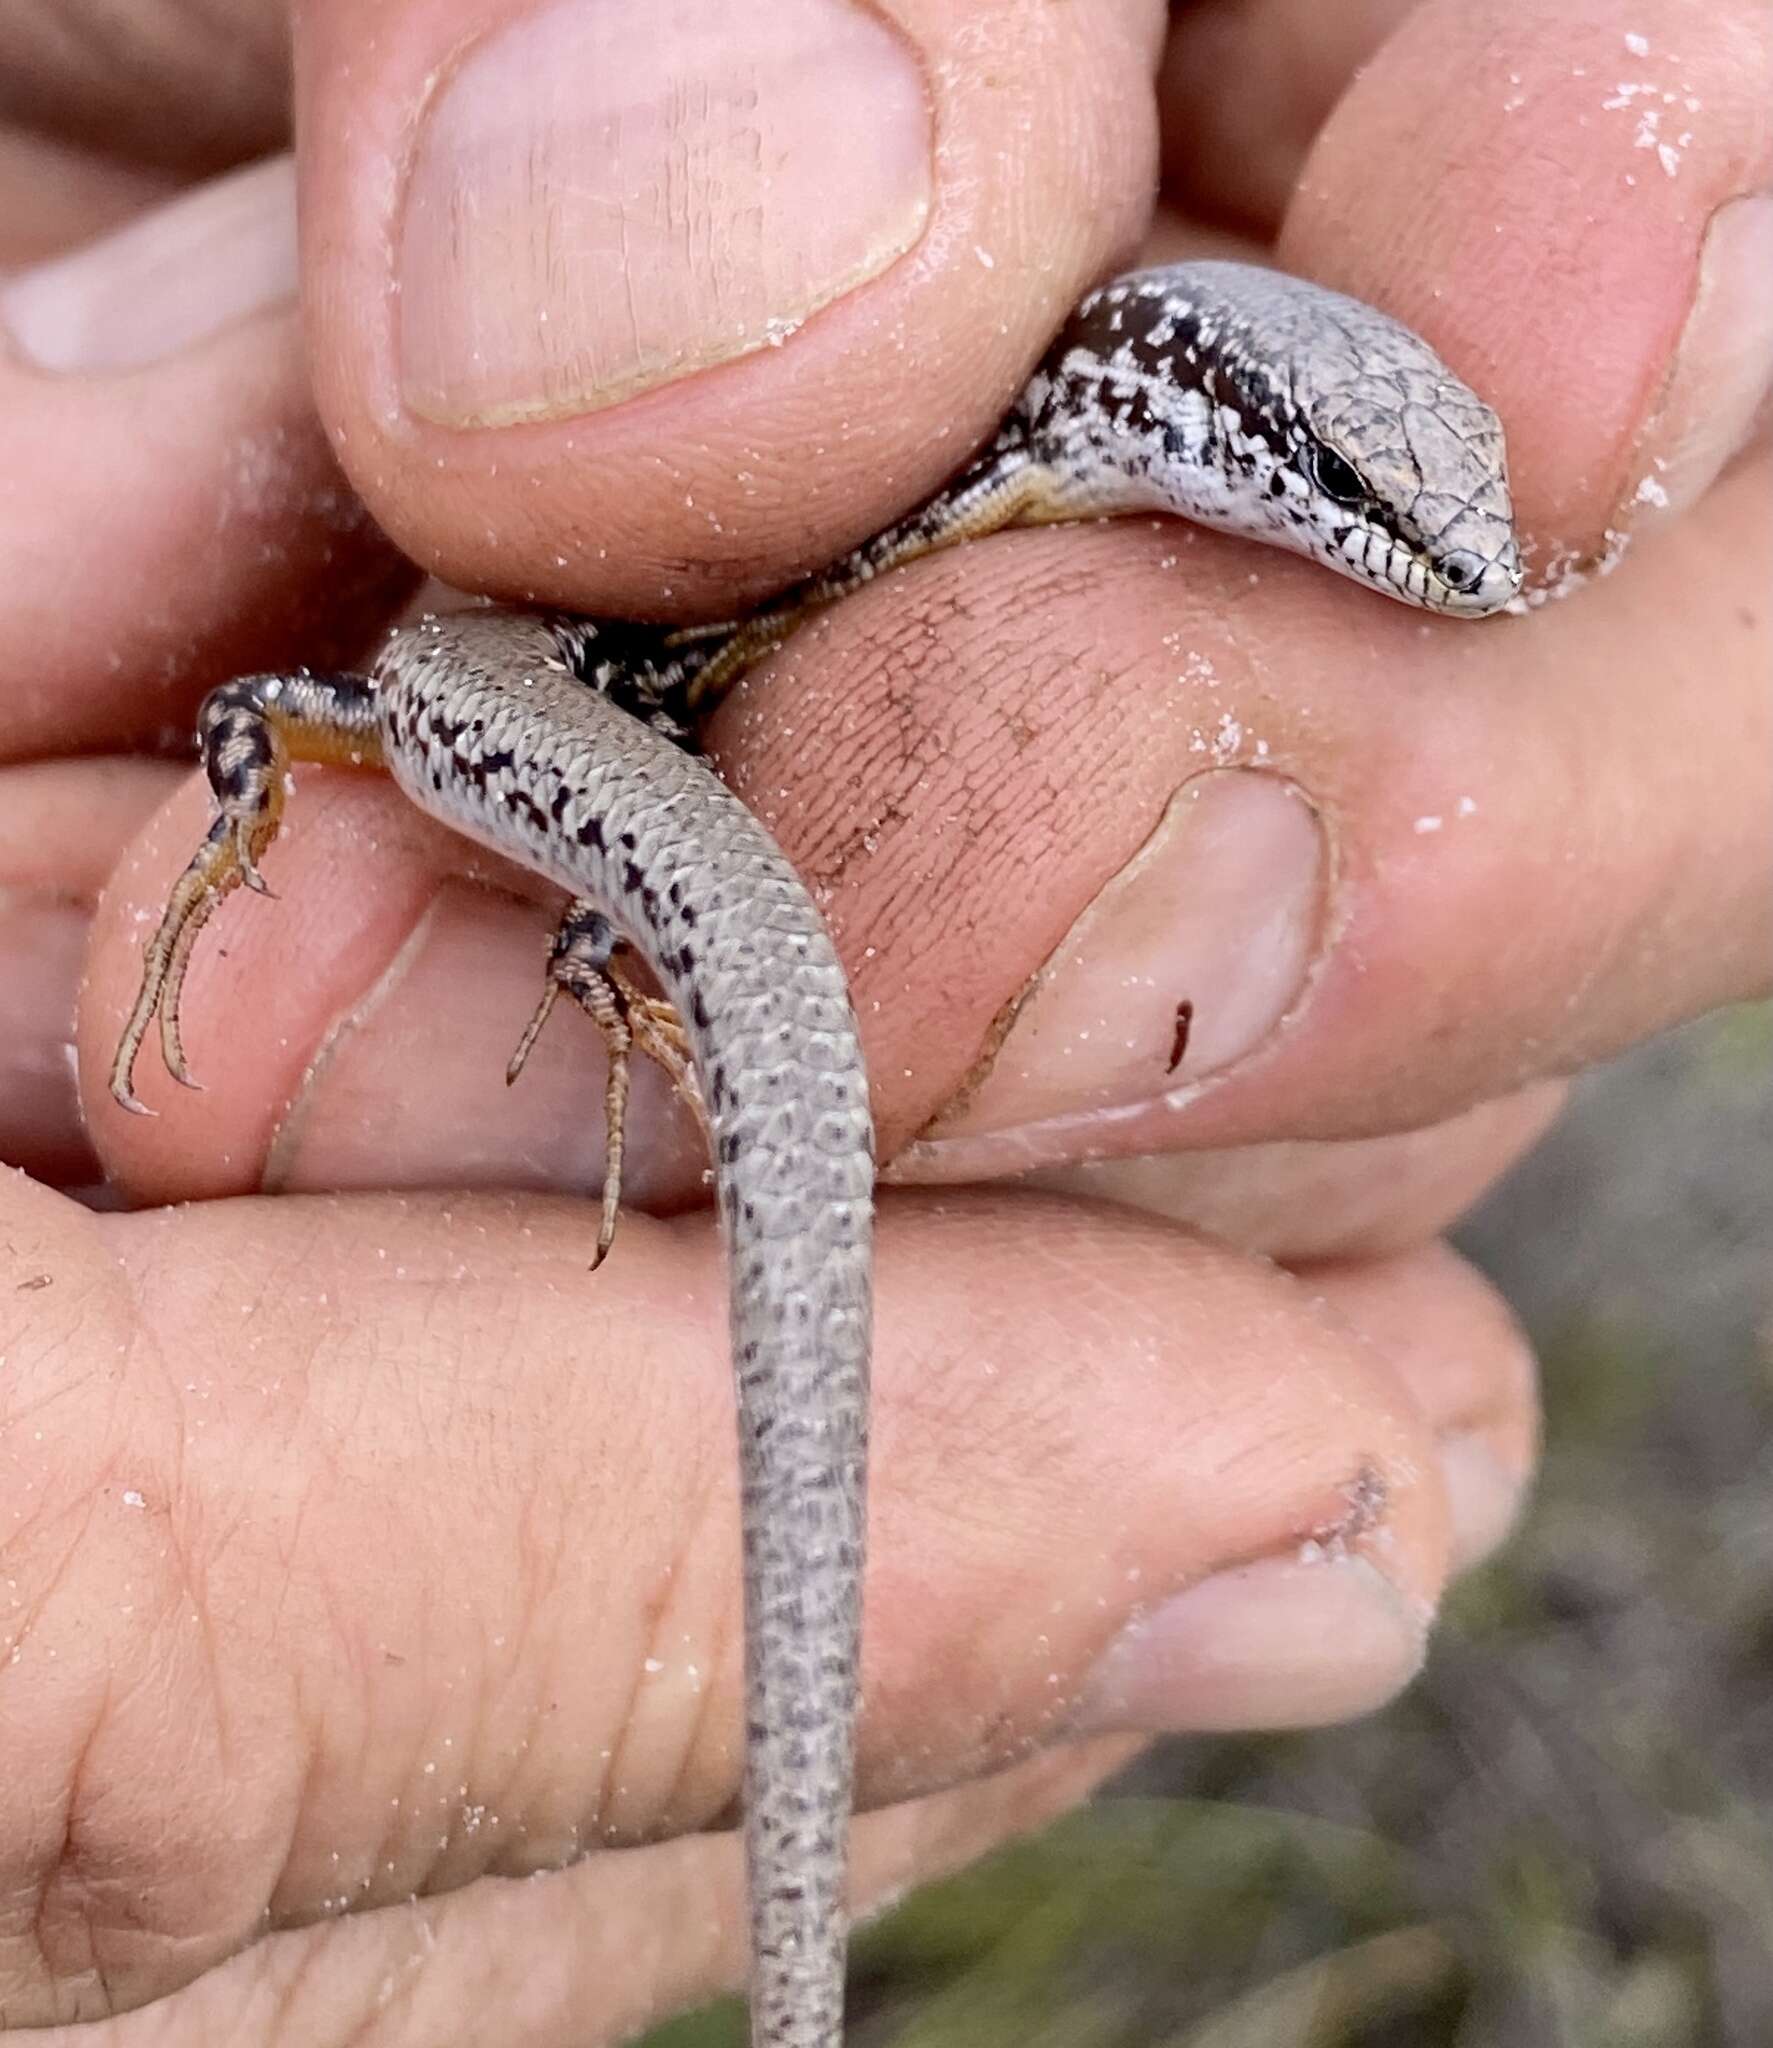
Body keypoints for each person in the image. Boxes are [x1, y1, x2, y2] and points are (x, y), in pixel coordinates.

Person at [1, 0, 1766, 2037]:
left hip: (588, 714)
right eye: (1352, 493)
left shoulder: (1084, 446)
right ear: (1190, 406)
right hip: (472, 692)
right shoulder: (1002, 405)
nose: (1430, 564)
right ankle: (591, 942)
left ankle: (616, 953)